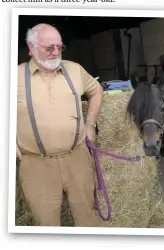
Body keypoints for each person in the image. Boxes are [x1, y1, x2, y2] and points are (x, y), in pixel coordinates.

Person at [16, 23, 103, 227]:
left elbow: (96, 90)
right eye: (49, 48)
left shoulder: (74, 69)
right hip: (37, 164)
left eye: (60, 47)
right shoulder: (13, 77)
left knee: (87, 220)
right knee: (47, 225)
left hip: (78, 158)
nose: (56, 52)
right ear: (31, 47)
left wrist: (90, 123)